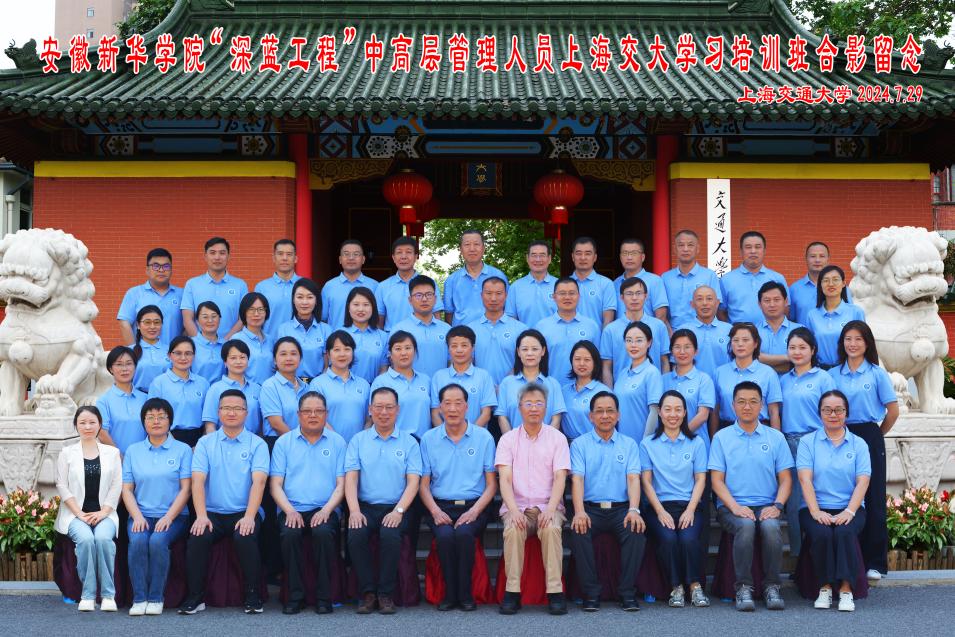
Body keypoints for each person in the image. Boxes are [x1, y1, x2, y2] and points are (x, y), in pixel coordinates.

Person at [179, 389, 269, 615]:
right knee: (198, 537)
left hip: (244, 510)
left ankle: (252, 594)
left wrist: (249, 516)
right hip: (212, 512)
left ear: (246, 413)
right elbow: (198, 481)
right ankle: (195, 596)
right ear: (218, 412)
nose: (232, 412)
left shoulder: (257, 444)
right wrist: (201, 516)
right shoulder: (205, 443)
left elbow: (259, 483)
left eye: (237, 408)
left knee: (245, 536)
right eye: (226, 408)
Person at [709, 381, 793, 612]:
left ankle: (772, 586)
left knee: (770, 528)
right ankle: (743, 587)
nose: (747, 407)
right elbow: (716, 481)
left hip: (767, 505)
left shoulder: (775, 438)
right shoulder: (721, 438)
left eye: (753, 401)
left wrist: (777, 505)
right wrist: (735, 507)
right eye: (742, 402)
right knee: (745, 525)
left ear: (762, 405)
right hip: (731, 507)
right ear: (733, 405)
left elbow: (786, 479)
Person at [828, 320, 899, 580]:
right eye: (848, 339)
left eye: (858, 339)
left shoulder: (877, 374)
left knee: (873, 497)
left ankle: (875, 563)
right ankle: (848, 559)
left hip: (869, 434)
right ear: (842, 343)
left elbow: (893, 411)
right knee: (844, 494)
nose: (853, 344)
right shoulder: (833, 375)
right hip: (839, 434)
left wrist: (876, 435)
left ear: (867, 343)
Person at [419, 384, 497, 611]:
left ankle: (465, 594)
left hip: (474, 505)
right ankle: (449, 594)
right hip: (440, 504)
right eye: (447, 403)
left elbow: (492, 485)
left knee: (464, 534)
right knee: (444, 537)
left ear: (467, 406)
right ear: (440, 407)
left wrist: (474, 511)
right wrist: (435, 511)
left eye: (458, 403)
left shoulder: (483, 437)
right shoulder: (429, 439)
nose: (453, 409)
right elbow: (423, 485)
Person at [345, 387, 423, 615]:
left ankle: (385, 594)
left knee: (390, 534)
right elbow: (351, 479)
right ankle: (368, 593)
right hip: (366, 507)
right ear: (370, 409)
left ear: (398, 410)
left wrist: (399, 511)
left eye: (389, 407)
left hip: (397, 506)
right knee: (356, 534)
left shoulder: (409, 442)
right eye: (378, 407)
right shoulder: (358, 440)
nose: (384, 412)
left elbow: (413, 482)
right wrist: (354, 511)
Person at [270, 391, 347, 615]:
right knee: (290, 534)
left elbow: (342, 484)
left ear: (326, 414)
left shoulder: (337, 442)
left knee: (323, 533)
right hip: (291, 507)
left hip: (325, 508)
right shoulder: (284, 443)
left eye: (318, 411)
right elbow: (275, 484)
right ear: (298, 414)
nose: (313, 415)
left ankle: (324, 597)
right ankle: (295, 597)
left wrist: (326, 510)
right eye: (307, 411)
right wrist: (289, 511)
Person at [496, 384, 571, 615]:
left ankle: (555, 593)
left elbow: (560, 477)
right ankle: (512, 593)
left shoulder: (557, 438)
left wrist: (550, 509)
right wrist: (513, 510)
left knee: (551, 529)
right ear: (519, 408)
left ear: (546, 408)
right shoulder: (508, 440)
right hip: (517, 506)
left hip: (548, 506)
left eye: (539, 403)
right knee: (513, 529)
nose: (534, 408)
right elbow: (504, 479)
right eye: (528, 404)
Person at [570, 390, 646, 612]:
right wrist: (579, 511)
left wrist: (634, 509)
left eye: (610, 411)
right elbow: (577, 480)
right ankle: (591, 593)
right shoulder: (580, 444)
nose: (605, 416)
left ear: (618, 415)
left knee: (636, 532)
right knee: (579, 532)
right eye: (600, 411)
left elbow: (633, 478)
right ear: (591, 416)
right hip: (591, 509)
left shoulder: (629, 444)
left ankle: (627, 593)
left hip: (621, 509)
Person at [798, 390, 871, 612]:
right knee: (821, 533)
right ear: (819, 413)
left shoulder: (859, 444)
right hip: (814, 506)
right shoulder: (808, 442)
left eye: (838, 410)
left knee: (844, 532)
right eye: (827, 410)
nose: (833, 414)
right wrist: (815, 511)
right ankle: (825, 588)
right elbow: (805, 479)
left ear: (846, 413)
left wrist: (849, 511)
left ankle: (846, 590)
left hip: (850, 506)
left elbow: (863, 481)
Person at [122, 397, 192, 616]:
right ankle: (139, 598)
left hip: (174, 516)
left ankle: (155, 598)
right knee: (138, 541)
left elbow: (186, 489)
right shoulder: (133, 451)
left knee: (158, 540)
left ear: (170, 421)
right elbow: (127, 489)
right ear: (143, 421)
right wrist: (137, 516)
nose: (156, 421)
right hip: (141, 514)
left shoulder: (182, 450)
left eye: (162, 417)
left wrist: (168, 518)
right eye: (150, 417)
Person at [640, 391, 710, 608]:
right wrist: (660, 511)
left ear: (685, 413)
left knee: (688, 539)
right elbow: (646, 482)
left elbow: (700, 479)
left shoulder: (696, 443)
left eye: (678, 409)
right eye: (668, 409)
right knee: (668, 538)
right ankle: (675, 587)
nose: (673, 414)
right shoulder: (647, 444)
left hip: (689, 505)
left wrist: (691, 509)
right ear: (660, 413)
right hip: (659, 506)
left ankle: (695, 586)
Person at [54, 406, 123, 612]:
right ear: (76, 425)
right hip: (75, 514)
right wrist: (79, 514)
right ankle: (88, 595)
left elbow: (116, 485)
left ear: (100, 424)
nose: (87, 427)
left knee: (102, 539)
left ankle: (108, 595)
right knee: (85, 540)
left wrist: (104, 512)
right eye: (82, 422)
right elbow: (61, 485)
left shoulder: (112, 453)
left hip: (105, 513)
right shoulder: (66, 453)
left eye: (92, 422)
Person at [779, 328, 836, 559]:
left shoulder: (824, 378)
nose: (797, 352)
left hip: (815, 443)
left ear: (813, 350)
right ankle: (799, 558)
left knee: (817, 499)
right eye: (792, 347)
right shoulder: (783, 380)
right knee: (793, 503)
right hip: (788, 444)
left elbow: (833, 412)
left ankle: (820, 558)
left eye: (802, 347)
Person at [712, 323, 782, 431]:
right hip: (727, 431)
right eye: (735, 340)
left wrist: (776, 438)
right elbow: (715, 411)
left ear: (755, 343)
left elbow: (774, 412)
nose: (740, 344)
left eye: (745, 340)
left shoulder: (768, 373)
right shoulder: (719, 372)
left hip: (760, 430)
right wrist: (714, 437)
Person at [601, 277, 670, 384]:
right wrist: (610, 393)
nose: (634, 298)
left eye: (638, 293)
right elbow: (606, 366)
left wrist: (664, 389)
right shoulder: (610, 330)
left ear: (646, 296)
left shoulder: (659, 326)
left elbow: (664, 361)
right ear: (621, 297)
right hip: (621, 388)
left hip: (653, 387)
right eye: (629, 294)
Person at [495, 329, 566, 433]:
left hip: (547, 442)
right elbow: (502, 417)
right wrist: (512, 441)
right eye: (525, 349)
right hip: (514, 442)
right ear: (518, 352)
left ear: (543, 351)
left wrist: (546, 440)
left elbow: (556, 418)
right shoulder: (506, 383)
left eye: (534, 349)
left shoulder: (553, 384)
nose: (529, 353)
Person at [534, 277, 600, 384]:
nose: (567, 297)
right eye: (562, 293)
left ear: (579, 296)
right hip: (549, 388)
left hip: (583, 389)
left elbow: (598, 361)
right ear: (554, 297)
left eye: (572, 293)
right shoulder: (541, 327)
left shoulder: (591, 326)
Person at [147, 336, 210, 447]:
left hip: (199, 440)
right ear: (169, 355)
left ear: (194, 356)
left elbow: (208, 417)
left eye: (188, 353)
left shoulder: (203, 383)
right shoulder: (159, 383)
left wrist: (201, 443)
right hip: (169, 438)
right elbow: (152, 415)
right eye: (178, 353)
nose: (183, 357)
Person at [308, 330, 371, 443]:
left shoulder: (364, 384)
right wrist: (338, 442)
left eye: (347, 349)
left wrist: (360, 442)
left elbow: (369, 419)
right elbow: (316, 417)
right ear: (328, 354)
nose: (342, 354)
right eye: (337, 350)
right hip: (328, 444)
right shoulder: (317, 384)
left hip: (358, 446)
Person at [181, 237, 248, 340]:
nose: (217, 257)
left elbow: (243, 319)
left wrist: (226, 342)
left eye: (222, 253)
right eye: (212, 253)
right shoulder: (192, 284)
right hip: (199, 346)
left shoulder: (240, 285)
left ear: (228, 256)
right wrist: (201, 343)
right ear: (205, 256)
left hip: (231, 346)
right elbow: (187, 320)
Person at [430, 326, 497, 428]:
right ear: (448, 348)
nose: (459, 350)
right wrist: (446, 434)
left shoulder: (484, 376)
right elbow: (435, 413)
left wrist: (470, 434)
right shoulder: (439, 377)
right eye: (454, 346)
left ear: (473, 348)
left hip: (477, 436)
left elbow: (486, 413)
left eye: (464, 345)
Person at [371, 330, 433, 439]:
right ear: (390, 354)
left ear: (415, 351)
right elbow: (375, 417)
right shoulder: (381, 382)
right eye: (398, 349)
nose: (403, 353)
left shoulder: (426, 380)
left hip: (423, 442)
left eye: (408, 348)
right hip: (393, 442)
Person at [117, 247, 184, 347]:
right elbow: (124, 323)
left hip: (174, 354)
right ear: (147, 270)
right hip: (144, 354)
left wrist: (180, 349)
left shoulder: (182, 294)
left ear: (171, 270)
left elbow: (188, 324)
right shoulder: (134, 293)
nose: (161, 270)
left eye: (166, 266)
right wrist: (134, 351)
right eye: (156, 266)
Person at [468, 276, 528, 385]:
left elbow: (526, 362)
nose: (493, 298)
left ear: (506, 295)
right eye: (488, 293)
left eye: (499, 293)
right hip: (479, 389)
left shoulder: (521, 329)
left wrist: (504, 386)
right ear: (481, 295)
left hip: (513, 389)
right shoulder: (470, 329)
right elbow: (467, 363)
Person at [375, 236, 444, 330]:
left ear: (416, 256)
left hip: (423, 337)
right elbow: (379, 323)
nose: (404, 257)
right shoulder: (383, 287)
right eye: (399, 252)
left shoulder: (430, 284)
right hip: (393, 337)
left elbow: (437, 317)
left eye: (408, 252)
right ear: (393, 258)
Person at [718, 231, 787, 325]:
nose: (753, 251)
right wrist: (731, 330)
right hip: (738, 333)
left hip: (771, 332)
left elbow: (786, 309)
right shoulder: (726, 280)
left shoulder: (777, 278)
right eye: (748, 247)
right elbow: (721, 311)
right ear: (741, 251)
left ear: (764, 251)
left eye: (757, 247)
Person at [662, 330, 716, 448]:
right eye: (677, 347)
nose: (682, 352)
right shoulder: (663, 380)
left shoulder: (704, 379)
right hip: (666, 445)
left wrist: (679, 435)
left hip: (696, 443)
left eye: (687, 347)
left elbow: (703, 415)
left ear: (696, 351)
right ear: (671, 351)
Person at [443, 229, 508, 326]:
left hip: (493, 331)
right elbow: (449, 313)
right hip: (462, 333)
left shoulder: (498, 275)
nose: (472, 249)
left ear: (483, 248)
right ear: (460, 250)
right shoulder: (452, 280)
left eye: (476, 244)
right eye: (467, 244)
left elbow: (507, 308)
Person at [807, 265, 865, 370]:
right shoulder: (812, 315)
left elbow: (864, 343)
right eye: (826, 280)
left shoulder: (855, 312)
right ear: (820, 285)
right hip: (821, 371)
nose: (831, 284)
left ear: (843, 283)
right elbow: (809, 346)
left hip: (849, 370)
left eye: (835, 279)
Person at [612, 321, 663, 441]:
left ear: (649, 343)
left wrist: (645, 442)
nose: (633, 345)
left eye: (639, 340)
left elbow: (655, 412)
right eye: (629, 340)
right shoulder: (622, 373)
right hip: (621, 443)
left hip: (641, 442)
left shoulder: (652, 373)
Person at [662, 230, 723, 330]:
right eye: (681, 245)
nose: (685, 249)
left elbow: (716, 307)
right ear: (675, 249)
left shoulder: (709, 276)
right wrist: (670, 333)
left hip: (703, 332)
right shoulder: (665, 278)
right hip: (674, 333)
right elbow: (662, 312)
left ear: (697, 249)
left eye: (690, 245)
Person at [392, 275, 451, 377]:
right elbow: (393, 364)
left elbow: (452, 362)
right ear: (410, 300)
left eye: (429, 294)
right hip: (410, 385)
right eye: (418, 295)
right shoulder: (399, 330)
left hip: (441, 385)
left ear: (435, 299)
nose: (424, 299)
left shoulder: (447, 330)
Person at [202, 339, 262, 435]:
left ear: (248, 361)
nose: (238, 361)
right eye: (233, 358)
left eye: (242, 357)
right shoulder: (215, 389)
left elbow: (261, 425)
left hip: (252, 441)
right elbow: (210, 426)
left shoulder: (257, 389)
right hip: (223, 441)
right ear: (225, 362)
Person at [276, 278, 331, 383]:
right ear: (293, 300)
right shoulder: (283, 329)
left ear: (316, 300)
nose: (304, 302)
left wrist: (319, 385)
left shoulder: (326, 330)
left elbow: (327, 365)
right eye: (300, 297)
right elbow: (280, 362)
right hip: (291, 384)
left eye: (310, 297)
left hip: (318, 385)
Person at [96, 346, 148, 454]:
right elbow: (102, 434)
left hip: (144, 458)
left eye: (129, 363)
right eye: (119, 364)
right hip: (117, 460)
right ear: (111, 369)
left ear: (135, 366)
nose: (124, 369)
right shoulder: (104, 401)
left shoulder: (145, 398)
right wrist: (120, 458)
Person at [321, 239, 379, 330]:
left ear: (363, 259)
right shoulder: (329, 286)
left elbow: (379, 317)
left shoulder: (375, 286)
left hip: (367, 338)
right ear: (340, 259)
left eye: (356, 254)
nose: (351, 258)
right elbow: (322, 318)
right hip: (337, 338)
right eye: (346, 254)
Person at [676, 286, 732, 379]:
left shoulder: (729, 330)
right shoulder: (683, 330)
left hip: (724, 382)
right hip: (693, 384)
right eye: (699, 299)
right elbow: (676, 364)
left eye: (709, 299)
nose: (705, 303)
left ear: (717, 303)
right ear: (692, 304)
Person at [560, 341, 611, 441]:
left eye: (587, 360)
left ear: (595, 363)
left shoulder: (603, 393)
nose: (581, 363)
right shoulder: (564, 391)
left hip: (593, 445)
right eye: (577, 359)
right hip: (567, 446)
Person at [260, 337, 309, 440]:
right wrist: (299, 443)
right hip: (278, 442)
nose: (288, 358)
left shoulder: (306, 387)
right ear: (275, 360)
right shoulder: (270, 386)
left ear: (300, 359)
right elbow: (276, 424)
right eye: (283, 354)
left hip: (306, 442)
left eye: (293, 354)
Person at [790, 242, 848, 326]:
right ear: (806, 259)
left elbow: (849, 315)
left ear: (828, 259)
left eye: (822, 256)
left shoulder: (840, 288)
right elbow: (791, 320)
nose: (817, 260)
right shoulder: (794, 289)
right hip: (803, 334)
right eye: (813, 256)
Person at [254, 239, 301, 340]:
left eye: (289, 254)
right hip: (269, 343)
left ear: (296, 259)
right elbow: (255, 319)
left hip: (300, 344)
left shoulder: (304, 285)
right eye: (280, 254)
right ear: (274, 258)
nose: (284, 258)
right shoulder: (262, 287)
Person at [614, 238, 669, 324]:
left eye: (634, 253)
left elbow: (661, 316)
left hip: (647, 331)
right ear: (620, 257)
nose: (629, 257)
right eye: (625, 253)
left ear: (642, 257)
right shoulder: (615, 283)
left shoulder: (655, 281)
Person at [505, 240, 557, 327]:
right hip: (524, 335)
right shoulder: (516, 287)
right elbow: (510, 319)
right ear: (527, 258)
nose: (538, 259)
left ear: (549, 258)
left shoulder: (559, 285)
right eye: (534, 255)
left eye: (542, 255)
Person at [342, 286, 388, 383]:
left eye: (366, 305)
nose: (361, 309)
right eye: (356, 304)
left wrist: (377, 388)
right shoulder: (339, 334)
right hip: (344, 387)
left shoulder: (383, 337)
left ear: (373, 308)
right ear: (348, 307)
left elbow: (384, 369)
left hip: (374, 388)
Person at [569, 236, 616, 329]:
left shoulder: (606, 284)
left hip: (596, 337)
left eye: (588, 254)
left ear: (595, 257)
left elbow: (608, 320)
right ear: (573, 257)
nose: (583, 258)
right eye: (578, 253)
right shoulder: (563, 285)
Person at [756, 282, 803, 374]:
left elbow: (803, 361)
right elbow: (751, 358)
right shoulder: (752, 331)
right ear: (759, 304)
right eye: (767, 300)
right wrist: (788, 358)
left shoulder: (799, 330)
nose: (772, 304)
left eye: (776, 299)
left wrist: (763, 361)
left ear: (786, 301)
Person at [233, 292, 275, 385]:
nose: (256, 314)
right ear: (244, 312)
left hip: (269, 391)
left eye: (260, 309)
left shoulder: (270, 340)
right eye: (251, 309)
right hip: (247, 391)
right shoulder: (237, 340)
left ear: (266, 312)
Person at [131, 305, 170, 392]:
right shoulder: (129, 351)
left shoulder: (171, 351)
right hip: (137, 397)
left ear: (162, 324)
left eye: (157, 322)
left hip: (165, 397)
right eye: (147, 322)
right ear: (138, 325)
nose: (152, 326)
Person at [191, 301, 225, 384]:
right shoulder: (190, 344)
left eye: (214, 316)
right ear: (197, 321)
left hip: (222, 391)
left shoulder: (226, 345)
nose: (210, 320)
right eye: (205, 317)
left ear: (220, 319)